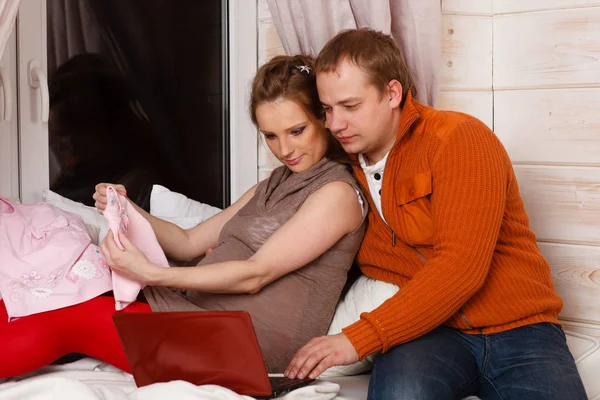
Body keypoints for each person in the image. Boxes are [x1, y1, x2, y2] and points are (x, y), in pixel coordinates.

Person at [0, 54, 365, 379]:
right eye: (270, 135)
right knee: (50, 291)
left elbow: (257, 274)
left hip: (247, 348)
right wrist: (128, 206)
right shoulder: (273, 183)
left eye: (296, 131)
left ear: (324, 118)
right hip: (201, 317)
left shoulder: (337, 194)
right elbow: (189, 242)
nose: (284, 149)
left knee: (70, 319)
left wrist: (152, 273)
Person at [284, 28, 587, 400]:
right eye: (327, 110)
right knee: (401, 394)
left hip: (521, 329)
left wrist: (357, 338)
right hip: (430, 333)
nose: (335, 124)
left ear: (392, 93)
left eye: (350, 106)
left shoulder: (458, 138)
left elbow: (461, 265)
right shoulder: (339, 168)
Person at [49, 53, 163, 207]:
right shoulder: (76, 176)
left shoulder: (135, 183)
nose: (54, 146)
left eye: (62, 135)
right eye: (55, 135)